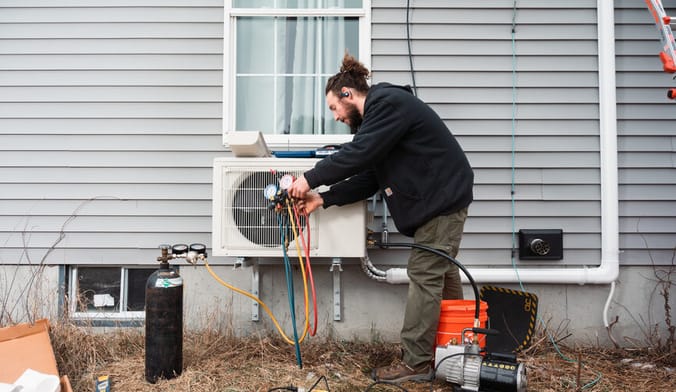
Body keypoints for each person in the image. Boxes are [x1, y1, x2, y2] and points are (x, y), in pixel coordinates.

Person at [287, 53, 474, 383]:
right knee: (441, 274)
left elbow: (358, 155)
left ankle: (417, 364)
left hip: (443, 199)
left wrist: (309, 178)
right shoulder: (380, 120)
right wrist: (322, 198)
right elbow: (370, 176)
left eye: (334, 108)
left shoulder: (386, 103)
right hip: (442, 200)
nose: (335, 117)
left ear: (347, 94)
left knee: (425, 272)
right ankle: (453, 350)